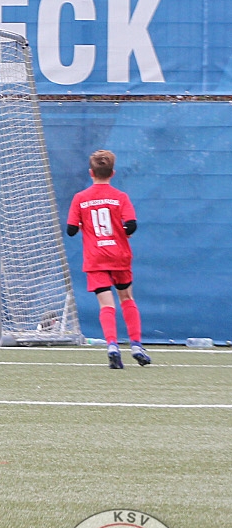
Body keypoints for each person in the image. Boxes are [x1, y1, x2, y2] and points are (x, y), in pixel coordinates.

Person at [67, 149, 149, 369]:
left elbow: (71, 230)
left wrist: (85, 225)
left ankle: (112, 345)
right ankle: (136, 345)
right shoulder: (120, 197)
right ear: (112, 173)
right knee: (126, 298)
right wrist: (121, 231)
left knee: (106, 304)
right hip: (119, 255)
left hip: (95, 258)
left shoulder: (80, 198)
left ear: (91, 172)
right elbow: (131, 225)